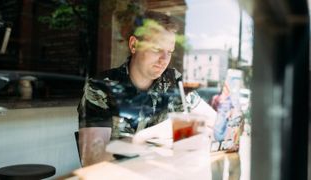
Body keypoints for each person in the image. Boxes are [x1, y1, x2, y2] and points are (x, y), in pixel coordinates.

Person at [77, 11, 216, 166]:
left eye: (169, 52)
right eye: (157, 49)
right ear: (134, 45)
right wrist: (147, 137)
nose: (164, 60)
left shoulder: (171, 80)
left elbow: (211, 119)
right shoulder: (101, 87)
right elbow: (92, 158)